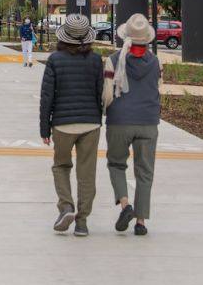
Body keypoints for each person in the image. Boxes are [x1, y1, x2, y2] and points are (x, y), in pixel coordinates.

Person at [38, 14, 103, 237]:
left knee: (61, 166)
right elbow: (99, 94)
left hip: (63, 124)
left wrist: (44, 129)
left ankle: (66, 206)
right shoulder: (96, 60)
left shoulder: (55, 60)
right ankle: (82, 222)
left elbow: (47, 96)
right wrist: (97, 118)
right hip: (90, 124)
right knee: (87, 174)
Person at [103, 13, 161, 237]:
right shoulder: (156, 61)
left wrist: (106, 110)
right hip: (148, 121)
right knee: (145, 172)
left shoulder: (113, 60)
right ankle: (141, 221)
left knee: (116, 164)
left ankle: (126, 205)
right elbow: (158, 87)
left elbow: (108, 93)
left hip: (119, 120)